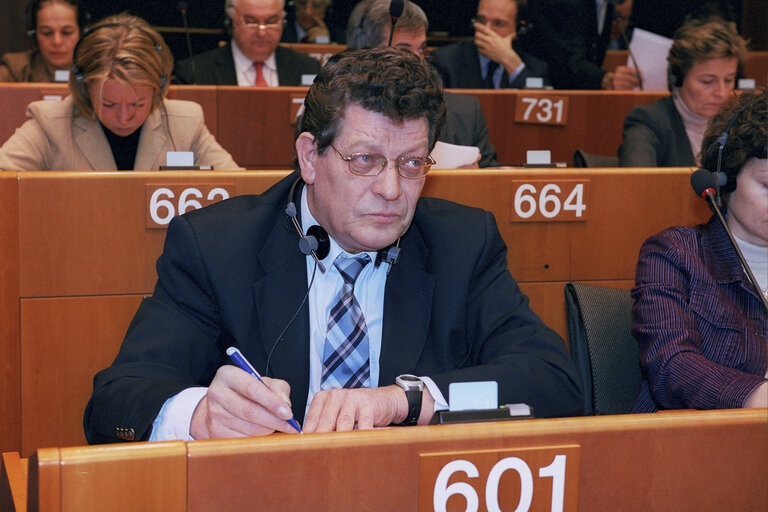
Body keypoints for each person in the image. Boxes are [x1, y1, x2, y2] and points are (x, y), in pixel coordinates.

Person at [83, 47, 582, 443]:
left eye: (412, 163)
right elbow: (115, 402)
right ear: (309, 156)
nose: (391, 189)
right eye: (364, 160)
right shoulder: (216, 247)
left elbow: (553, 381)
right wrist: (199, 415)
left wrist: (404, 401)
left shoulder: (462, 244)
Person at [631, 88, 767, 413]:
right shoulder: (674, 254)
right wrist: (756, 396)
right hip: (692, 450)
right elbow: (672, 366)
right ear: (725, 180)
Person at [0, 14, 241, 171]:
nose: (124, 118)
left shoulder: (185, 123)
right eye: (109, 104)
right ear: (84, 88)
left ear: (159, 87)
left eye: (137, 104)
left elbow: (236, 190)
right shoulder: (50, 123)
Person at [346, 0, 500, 168]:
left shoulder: (465, 112)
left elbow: (492, 182)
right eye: (404, 51)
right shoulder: (340, 112)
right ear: (365, 55)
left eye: (421, 49)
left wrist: (471, 180)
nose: (418, 61)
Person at [618, 18, 747, 167]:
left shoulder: (739, 125)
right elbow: (636, 184)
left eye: (728, 80)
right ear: (677, 77)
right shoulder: (648, 122)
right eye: (707, 81)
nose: (722, 93)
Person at [174, 0, 321, 86]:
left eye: (271, 21)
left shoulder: (308, 68)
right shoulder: (194, 73)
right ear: (231, 22)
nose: (262, 32)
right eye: (251, 22)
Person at [429, 0, 549, 89]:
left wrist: (511, 62)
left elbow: (540, 108)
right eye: (481, 20)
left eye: (498, 23)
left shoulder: (536, 68)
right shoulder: (444, 61)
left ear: (519, 29)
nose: (487, 30)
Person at [524, 0, 641, 90]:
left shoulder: (607, 5)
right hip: (544, 89)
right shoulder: (560, 4)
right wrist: (605, 79)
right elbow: (563, 56)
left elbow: (593, 54)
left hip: (583, 96)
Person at [0, 0, 84, 82]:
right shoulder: (14, 69)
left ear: (82, 32)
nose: (57, 41)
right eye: (47, 33)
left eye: (66, 33)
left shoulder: (94, 69)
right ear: (34, 34)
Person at [281, 0, 345, 44]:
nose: (308, 12)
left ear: (326, 9)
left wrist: (322, 41)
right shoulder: (281, 32)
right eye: (302, 3)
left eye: (316, 5)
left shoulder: (339, 36)